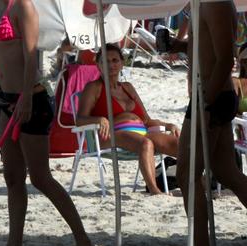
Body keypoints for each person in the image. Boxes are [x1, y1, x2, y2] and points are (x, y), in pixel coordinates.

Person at [0, 0, 96, 246]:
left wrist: (25, 96)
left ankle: (84, 241)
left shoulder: (23, 7)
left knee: (40, 177)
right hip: (6, 98)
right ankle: (14, 245)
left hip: (32, 98)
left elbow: (30, 57)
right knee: (13, 177)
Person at [172, 1, 247, 246]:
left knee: (187, 173)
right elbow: (208, 50)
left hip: (211, 96)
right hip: (212, 95)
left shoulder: (214, 3)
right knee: (227, 173)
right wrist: (178, 46)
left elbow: (226, 58)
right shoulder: (201, 4)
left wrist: (206, 103)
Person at [76, 43, 180, 195]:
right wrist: (99, 119)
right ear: (98, 65)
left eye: (115, 60)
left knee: (178, 143)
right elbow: (79, 120)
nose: (111, 65)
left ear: (122, 63)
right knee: (146, 143)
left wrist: (169, 125)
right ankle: (154, 190)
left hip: (141, 132)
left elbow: (146, 120)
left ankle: (201, 182)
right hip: (110, 135)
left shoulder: (128, 87)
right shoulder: (94, 87)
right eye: (105, 61)